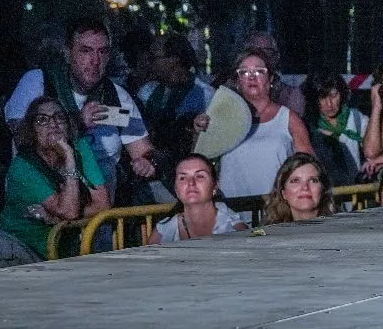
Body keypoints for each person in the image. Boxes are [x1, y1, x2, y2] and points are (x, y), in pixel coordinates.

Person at [4, 18, 157, 204]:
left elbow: (143, 150)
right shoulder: (39, 82)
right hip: (43, 207)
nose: (94, 61)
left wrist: (146, 164)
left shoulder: (116, 96)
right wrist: (77, 123)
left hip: (98, 212)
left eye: (102, 52)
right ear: (68, 54)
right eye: (85, 51)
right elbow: (21, 139)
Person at [0, 97, 110, 259]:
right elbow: (69, 212)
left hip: (60, 250)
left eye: (59, 118)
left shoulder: (80, 148)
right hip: (19, 250)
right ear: (32, 130)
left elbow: (103, 204)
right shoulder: (22, 167)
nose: (53, 124)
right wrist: (69, 157)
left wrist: (55, 218)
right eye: (42, 120)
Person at [214, 49, 314, 199]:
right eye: (244, 72)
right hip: (232, 214)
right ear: (237, 81)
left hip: (276, 213)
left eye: (260, 71)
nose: (252, 77)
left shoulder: (288, 118)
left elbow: (310, 167)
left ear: (271, 78)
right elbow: (201, 162)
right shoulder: (222, 119)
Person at [134, 34, 214, 200]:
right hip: (150, 175)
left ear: (174, 60)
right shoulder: (146, 92)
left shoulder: (205, 95)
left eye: (154, 57)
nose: (150, 62)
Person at [145, 154, 247, 243]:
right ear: (176, 190)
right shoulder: (163, 232)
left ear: (215, 186)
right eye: (183, 178)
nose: (191, 183)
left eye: (200, 176)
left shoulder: (235, 230)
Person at [305, 72, 366, 186]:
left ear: (342, 94)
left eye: (333, 95)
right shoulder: (309, 127)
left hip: (356, 192)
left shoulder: (357, 118)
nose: (329, 104)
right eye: (322, 98)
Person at [262, 153, 333, 224]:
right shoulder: (269, 232)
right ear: (283, 193)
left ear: (323, 189)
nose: (305, 187)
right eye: (295, 181)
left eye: (313, 180)